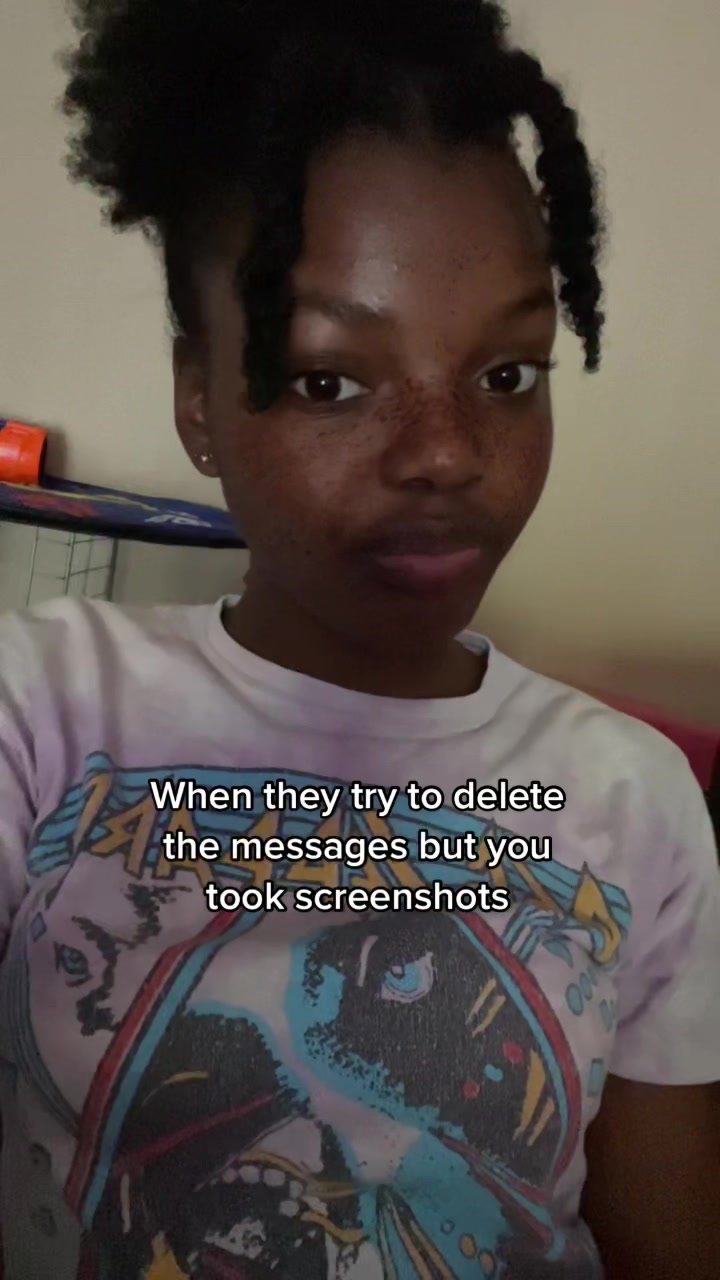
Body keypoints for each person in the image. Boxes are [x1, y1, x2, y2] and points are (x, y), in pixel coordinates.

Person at [0, 0, 717, 1276]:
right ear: (200, 399)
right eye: (330, 378)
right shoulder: (42, 707)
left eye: (508, 373)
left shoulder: (638, 798)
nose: (446, 454)